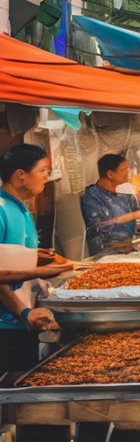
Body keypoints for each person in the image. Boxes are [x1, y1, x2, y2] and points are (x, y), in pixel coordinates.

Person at [0, 144, 72, 372]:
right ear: (20, 175)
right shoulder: (1, 209)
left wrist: (37, 258)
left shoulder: (19, 209)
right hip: (6, 325)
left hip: (22, 321)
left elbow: (11, 257)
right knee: (11, 394)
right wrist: (24, 312)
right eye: (43, 170)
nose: (47, 177)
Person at [81, 154, 140, 255]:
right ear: (110, 174)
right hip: (106, 256)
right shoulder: (91, 197)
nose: (128, 173)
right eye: (124, 170)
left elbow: (136, 223)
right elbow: (97, 229)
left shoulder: (126, 198)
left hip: (128, 253)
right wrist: (132, 219)